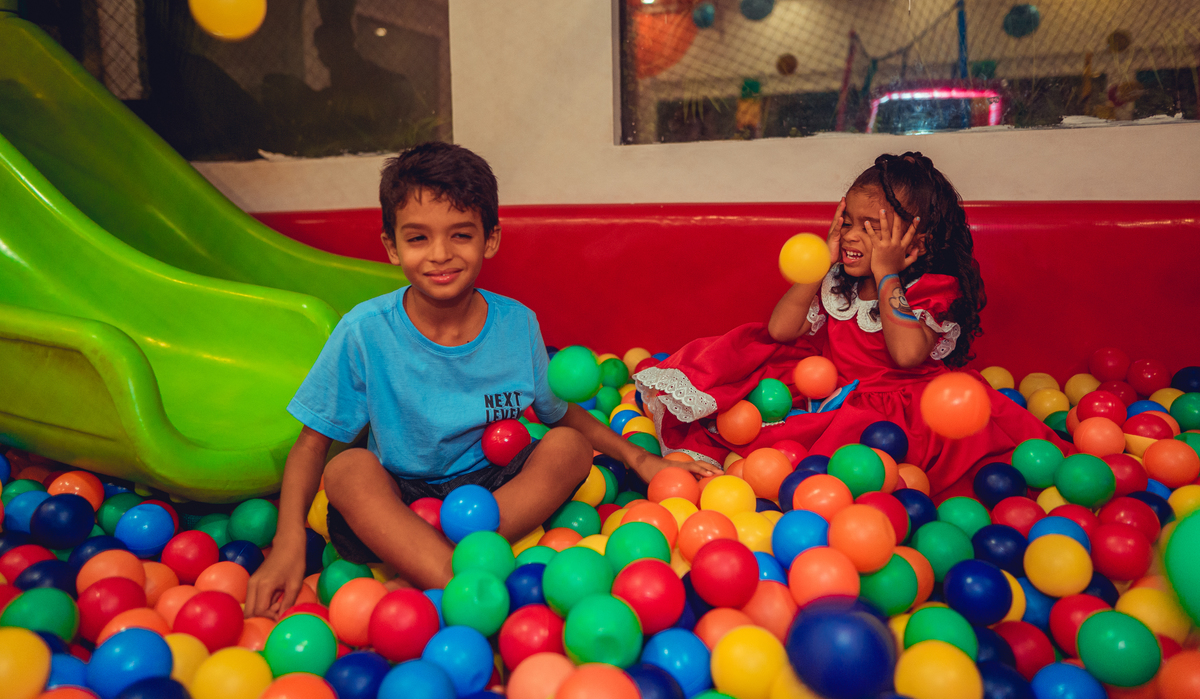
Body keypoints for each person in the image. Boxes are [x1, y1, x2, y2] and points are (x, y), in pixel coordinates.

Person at [245, 142, 717, 618]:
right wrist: (288, 544)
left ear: (490, 239)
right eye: (417, 238)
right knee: (347, 471)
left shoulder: (517, 325)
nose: (441, 255)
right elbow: (311, 445)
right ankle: (464, 585)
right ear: (391, 246)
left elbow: (561, 414)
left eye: (461, 235)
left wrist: (640, 458)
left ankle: (447, 566)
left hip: (497, 492)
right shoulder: (365, 331)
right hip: (400, 494)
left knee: (569, 449)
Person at [635, 152, 1067, 499]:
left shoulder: (931, 289)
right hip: (834, 388)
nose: (853, 237)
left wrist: (889, 276)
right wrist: (818, 264)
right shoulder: (839, 281)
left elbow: (907, 355)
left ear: (918, 243)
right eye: (848, 222)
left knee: (859, 472)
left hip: (906, 408)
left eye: (872, 228)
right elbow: (781, 330)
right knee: (748, 358)